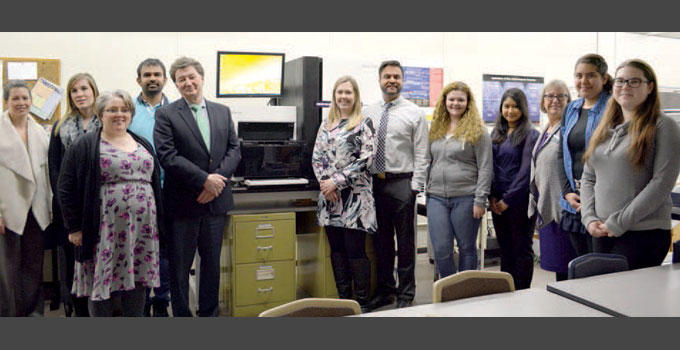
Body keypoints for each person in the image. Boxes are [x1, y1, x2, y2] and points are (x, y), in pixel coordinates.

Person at [57, 90, 163, 317]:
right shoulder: (85, 145)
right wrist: (74, 227)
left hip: (141, 229)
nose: (119, 114)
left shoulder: (141, 142)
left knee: (138, 280)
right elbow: (65, 188)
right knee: (101, 280)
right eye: (112, 110)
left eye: (124, 109)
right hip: (103, 229)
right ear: (101, 113)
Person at [154, 57, 241, 317]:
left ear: (201, 78)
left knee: (212, 265)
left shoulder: (222, 111)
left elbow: (234, 150)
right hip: (183, 204)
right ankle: (182, 316)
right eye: (181, 79)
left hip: (215, 203)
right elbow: (167, 155)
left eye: (192, 76)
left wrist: (215, 183)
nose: (188, 82)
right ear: (175, 84)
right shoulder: (166, 113)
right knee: (180, 268)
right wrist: (204, 180)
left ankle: (209, 314)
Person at [581, 59, 680, 270]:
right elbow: (589, 177)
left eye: (634, 81)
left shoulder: (664, 126)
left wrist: (619, 222)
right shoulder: (604, 128)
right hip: (601, 231)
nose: (625, 86)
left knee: (627, 300)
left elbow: (661, 183)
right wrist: (589, 218)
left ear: (650, 87)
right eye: (620, 81)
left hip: (643, 234)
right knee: (603, 297)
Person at [363, 60, 430, 310]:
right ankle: (385, 290)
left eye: (397, 77)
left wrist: (415, 187)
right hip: (374, 184)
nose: (392, 80)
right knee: (381, 243)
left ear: (403, 81)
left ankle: (406, 293)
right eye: (388, 76)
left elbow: (422, 152)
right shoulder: (368, 111)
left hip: (403, 183)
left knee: (405, 244)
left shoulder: (414, 112)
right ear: (380, 80)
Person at [312, 76, 376, 313]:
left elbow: (365, 159)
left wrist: (336, 182)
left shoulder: (364, 122)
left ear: (355, 96)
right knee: (337, 250)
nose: (343, 97)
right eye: (340, 92)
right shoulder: (326, 124)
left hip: (355, 199)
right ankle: (344, 301)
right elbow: (316, 157)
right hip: (330, 199)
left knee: (355, 251)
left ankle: (362, 304)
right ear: (334, 95)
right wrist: (325, 184)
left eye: (348, 92)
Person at [425, 81, 492, 278]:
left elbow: (486, 167)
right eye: (451, 99)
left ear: (468, 102)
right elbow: (429, 160)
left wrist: (481, 200)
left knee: (466, 248)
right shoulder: (436, 128)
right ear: (445, 101)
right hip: (436, 197)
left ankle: (466, 294)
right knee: (442, 249)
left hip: (466, 197)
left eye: (460, 100)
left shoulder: (478, 130)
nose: (455, 103)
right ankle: (448, 289)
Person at [48, 72, 101, 317]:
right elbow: (55, 168)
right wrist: (65, 204)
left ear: (94, 91)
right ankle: (79, 309)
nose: (80, 94)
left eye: (84, 89)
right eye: (74, 91)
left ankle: (103, 307)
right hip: (70, 207)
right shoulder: (61, 127)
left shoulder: (108, 120)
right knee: (73, 261)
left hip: (101, 204)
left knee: (101, 259)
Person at [0, 80, 52, 316]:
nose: (21, 103)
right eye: (15, 99)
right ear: (6, 101)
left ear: (32, 101)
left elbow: (47, 172)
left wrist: (50, 205)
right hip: (7, 210)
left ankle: (33, 315)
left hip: (36, 209)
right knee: (6, 269)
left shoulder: (39, 130)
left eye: (25, 98)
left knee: (33, 265)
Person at [128, 58, 172, 317]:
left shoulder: (178, 109)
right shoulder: (128, 109)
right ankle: (141, 300)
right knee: (139, 247)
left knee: (166, 248)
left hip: (171, 189)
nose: (152, 78)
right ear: (139, 80)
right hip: (139, 191)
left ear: (165, 79)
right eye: (147, 75)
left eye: (157, 74)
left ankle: (162, 299)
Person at [558, 53, 612, 257]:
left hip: (602, 204)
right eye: (579, 75)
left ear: (604, 78)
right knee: (581, 266)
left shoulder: (614, 108)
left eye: (591, 75)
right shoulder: (571, 109)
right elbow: (560, 154)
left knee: (600, 268)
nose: (583, 81)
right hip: (574, 203)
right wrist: (566, 192)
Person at [489, 88, 539, 290]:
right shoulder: (496, 133)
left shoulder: (530, 134)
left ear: (523, 109)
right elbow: (489, 166)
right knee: (506, 248)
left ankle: (521, 292)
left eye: (515, 106)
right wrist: (492, 196)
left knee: (521, 248)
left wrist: (507, 200)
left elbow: (526, 172)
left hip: (519, 202)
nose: (510, 111)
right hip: (497, 201)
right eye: (506, 106)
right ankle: (506, 289)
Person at [528, 80, 577, 281]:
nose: (554, 100)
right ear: (542, 101)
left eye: (560, 96)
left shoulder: (570, 129)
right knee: (559, 270)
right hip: (547, 207)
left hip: (564, 210)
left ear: (569, 100)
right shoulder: (547, 128)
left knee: (568, 269)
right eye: (549, 96)